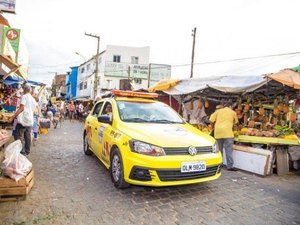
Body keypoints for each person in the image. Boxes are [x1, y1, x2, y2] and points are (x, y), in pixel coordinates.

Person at [9, 84, 37, 156]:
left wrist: (13, 117)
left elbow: (22, 108)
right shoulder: (33, 99)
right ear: (30, 91)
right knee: (27, 136)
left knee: (17, 135)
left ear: (24, 90)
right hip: (30, 120)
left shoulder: (24, 96)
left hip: (23, 120)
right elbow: (34, 110)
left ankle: (22, 152)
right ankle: (27, 151)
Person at [209, 102, 238, 171]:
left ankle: (219, 164)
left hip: (218, 132)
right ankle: (230, 166)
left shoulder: (218, 111)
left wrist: (213, 126)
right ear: (230, 106)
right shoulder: (233, 112)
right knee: (228, 150)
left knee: (219, 150)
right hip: (228, 133)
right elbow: (236, 123)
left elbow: (210, 120)